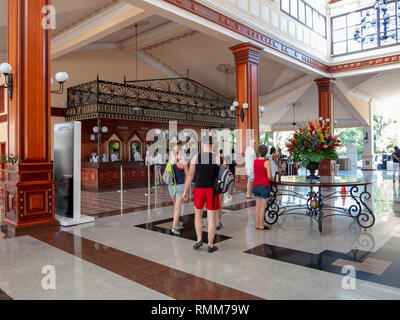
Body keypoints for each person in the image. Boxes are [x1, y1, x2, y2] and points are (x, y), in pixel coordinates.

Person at [183, 136, 221, 253]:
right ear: (212, 145)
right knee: (211, 217)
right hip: (212, 190)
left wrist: (185, 191)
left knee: (198, 215)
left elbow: (190, 176)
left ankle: (199, 240)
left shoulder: (195, 157)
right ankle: (210, 244)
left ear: (202, 145)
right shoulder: (218, 158)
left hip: (199, 189)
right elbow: (223, 176)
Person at [169, 145, 189, 235]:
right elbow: (188, 175)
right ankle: (174, 227)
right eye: (182, 150)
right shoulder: (183, 162)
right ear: (179, 151)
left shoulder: (170, 161)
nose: (183, 152)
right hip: (180, 186)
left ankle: (176, 222)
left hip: (171, 186)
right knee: (177, 207)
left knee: (175, 205)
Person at [253, 144, 273, 230]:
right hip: (264, 186)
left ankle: (257, 224)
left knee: (257, 206)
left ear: (258, 152)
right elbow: (269, 177)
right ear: (266, 152)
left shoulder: (255, 161)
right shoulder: (267, 162)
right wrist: (273, 178)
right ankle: (261, 225)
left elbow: (255, 174)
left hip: (256, 186)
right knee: (262, 207)